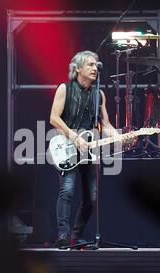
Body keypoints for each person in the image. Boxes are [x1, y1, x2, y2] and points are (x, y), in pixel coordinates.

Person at [49, 50, 119, 248]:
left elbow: (105, 125)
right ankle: (62, 235)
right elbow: (54, 118)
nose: (95, 68)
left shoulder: (99, 94)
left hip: (88, 149)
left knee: (92, 197)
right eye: (89, 64)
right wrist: (73, 136)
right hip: (66, 147)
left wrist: (120, 138)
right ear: (77, 68)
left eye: (96, 64)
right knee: (68, 191)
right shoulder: (65, 88)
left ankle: (75, 235)